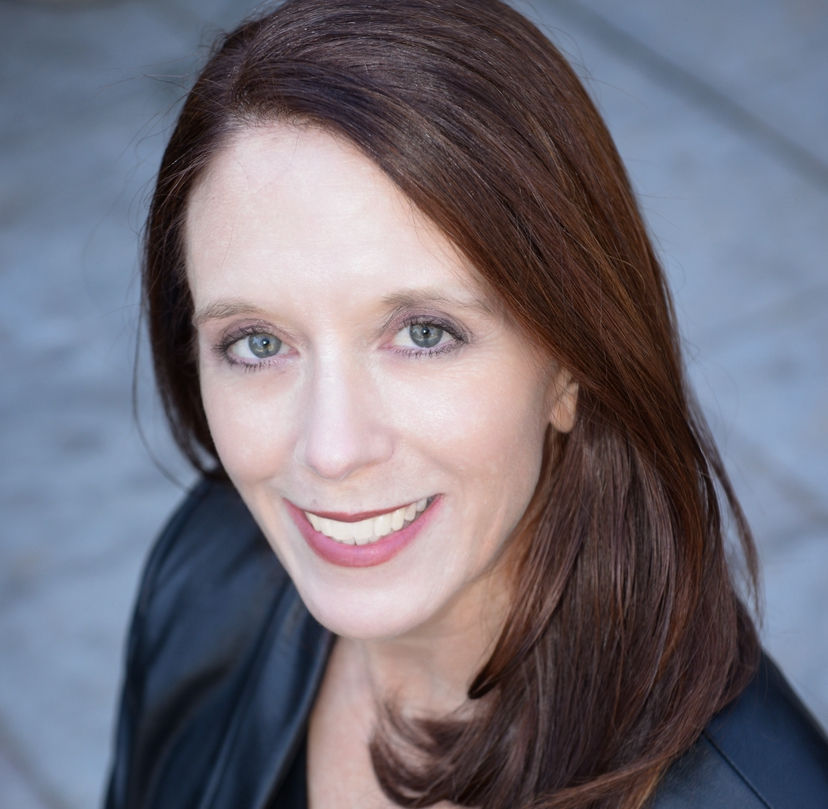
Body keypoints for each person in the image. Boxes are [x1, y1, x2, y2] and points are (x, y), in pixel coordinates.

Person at [104, 1, 828, 807]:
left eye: (422, 332)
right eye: (259, 344)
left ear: (569, 362)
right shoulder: (207, 573)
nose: (332, 448)